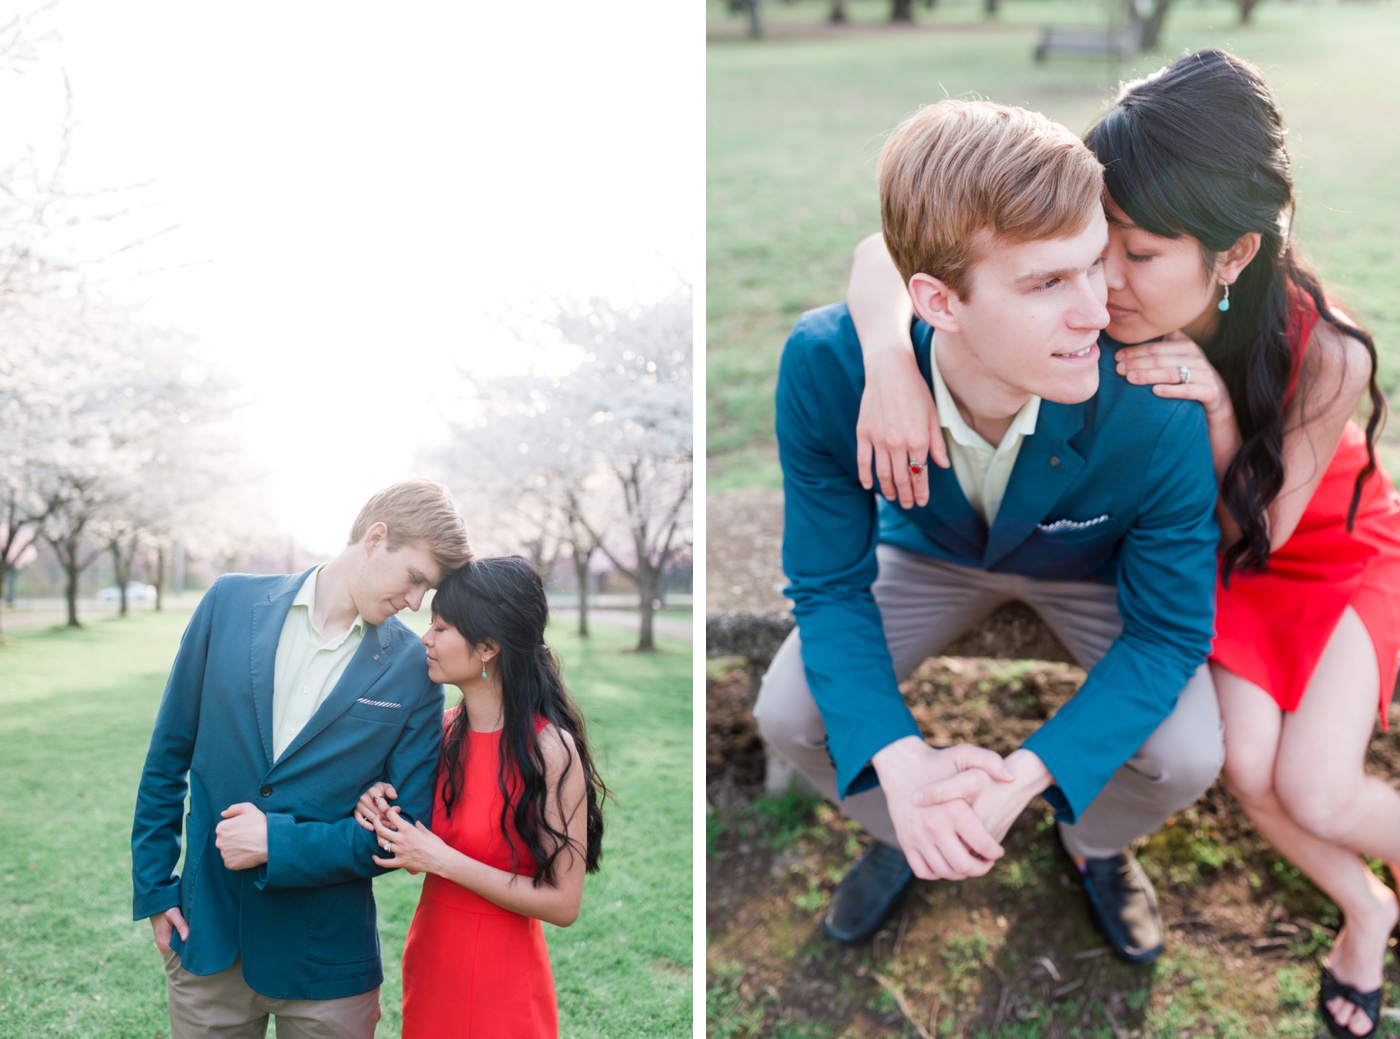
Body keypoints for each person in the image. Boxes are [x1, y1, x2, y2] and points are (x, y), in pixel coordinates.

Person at [849, 48, 1400, 1039]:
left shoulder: (1325, 353)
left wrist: (1222, 416)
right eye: (1099, 240)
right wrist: (889, 359)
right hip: (1201, 566)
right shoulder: (1090, 300)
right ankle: (1366, 903)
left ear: (1230, 254)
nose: (1100, 281)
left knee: (1311, 783)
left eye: (1135, 254)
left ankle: (1367, 904)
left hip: (1315, 551)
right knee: (1246, 764)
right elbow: (882, 251)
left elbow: (1265, 537)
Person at [756, 97, 1225, 968]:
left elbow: (1169, 630)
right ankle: (910, 830)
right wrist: (899, 758)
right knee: (790, 711)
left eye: (1095, 264)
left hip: (1089, 568)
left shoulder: (1156, 396)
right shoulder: (829, 364)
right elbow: (828, 584)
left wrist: (1034, 770)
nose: (1097, 310)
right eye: (1048, 282)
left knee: (1186, 752)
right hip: (928, 552)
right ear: (934, 300)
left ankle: (1093, 844)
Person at [130, 478, 472, 1039]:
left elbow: (405, 830)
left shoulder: (414, 669)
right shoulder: (228, 602)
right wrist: (154, 887)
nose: (415, 603)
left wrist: (277, 843)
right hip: (210, 937)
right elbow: (168, 756)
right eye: (415, 579)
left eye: (427, 592)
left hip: (328, 966)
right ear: (376, 538)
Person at [353, 555, 607, 1039]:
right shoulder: (441, 732)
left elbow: (564, 904)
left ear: (488, 646)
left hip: (503, 983)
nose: (425, 638)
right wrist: (376, 806)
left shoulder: (551, 751)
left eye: (442, 628)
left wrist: (443, 860)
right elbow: (412, 850)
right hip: (430, 964)